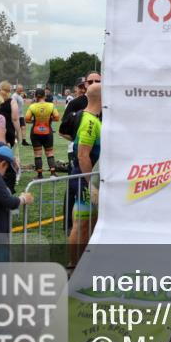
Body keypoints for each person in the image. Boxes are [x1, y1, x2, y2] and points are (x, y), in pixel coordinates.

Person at [69, 83, 101, 266]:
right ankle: (73, 266)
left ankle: (81, 264)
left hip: (87, 178)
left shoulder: (92, 118)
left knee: (89, 224)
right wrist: (91, 183)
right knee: (81, 225)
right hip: (85, 179)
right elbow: (83, 155)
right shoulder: (89, 120)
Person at [25, 88, 60, 179]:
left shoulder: (32, 106)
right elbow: (57, 118)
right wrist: (50, 119)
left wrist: (34, 121)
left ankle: (40, 175)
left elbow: (27, 119)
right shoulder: (51, 105)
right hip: (47, 132)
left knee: (37, 154)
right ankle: (53, 173)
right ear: (45, 96)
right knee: (49, 153)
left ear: (35, 96)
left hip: (35, 132)